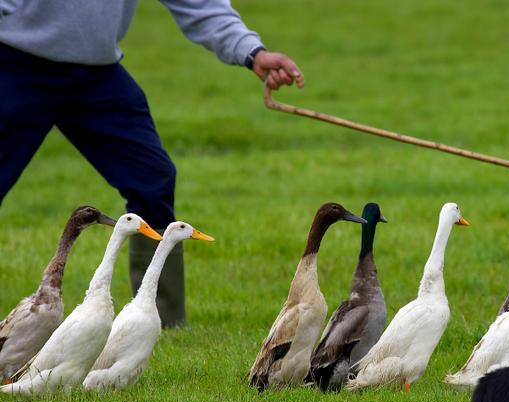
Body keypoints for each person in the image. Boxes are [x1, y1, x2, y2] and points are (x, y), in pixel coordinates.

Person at [0, 1, 303, 328]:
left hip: (97, 76)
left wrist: (252, 51)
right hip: (14, 67)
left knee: (152, 179)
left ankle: (159, 322)